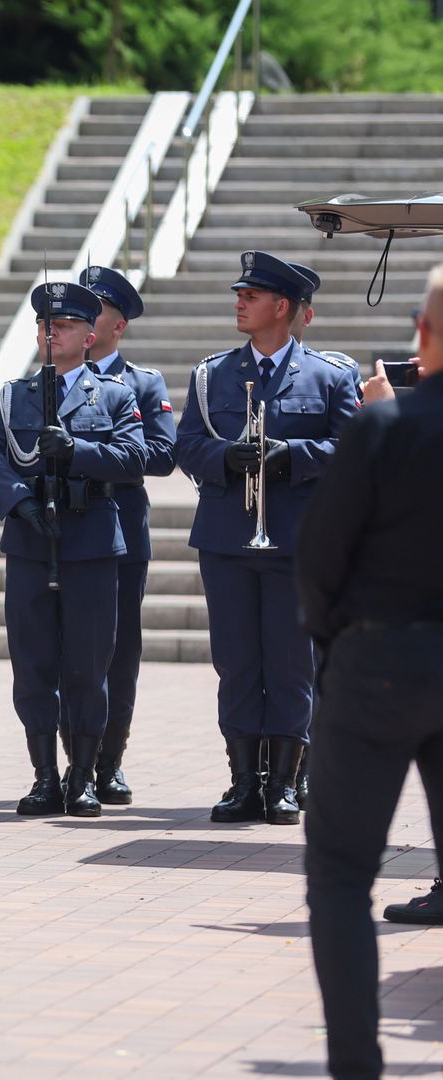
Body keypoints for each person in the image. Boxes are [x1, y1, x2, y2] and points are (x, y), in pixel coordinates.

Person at [299, 263, 443, 1080]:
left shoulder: (383, 429)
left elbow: (320, 558)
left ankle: (356, 1059)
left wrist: (335, 644)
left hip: (380, 659)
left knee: (344, 874)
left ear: (422, 338)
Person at [174, 251, 360, 825]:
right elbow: (183, 446)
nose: (239, 303)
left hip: (297, 540)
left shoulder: (330, 375)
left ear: (282, 308)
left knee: (289, 663)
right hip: (229, 538)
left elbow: (356, 447)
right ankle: (241, 782)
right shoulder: (212, 374)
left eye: (250, 297)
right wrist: (224, 456)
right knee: (235, 661)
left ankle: (282, 782)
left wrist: (294, 457)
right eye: (239, 295)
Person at [0, 282, 147, 817]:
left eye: (64, 326)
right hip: (29, 542)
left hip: (90, 542)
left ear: (89, 337)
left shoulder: (114, 394)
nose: (52, 333)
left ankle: (83, 775)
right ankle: (44, 775)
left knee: (89, 665)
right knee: (33, 664)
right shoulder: (11, 395)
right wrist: (18, 501)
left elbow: (136, 456)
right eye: (46, 325)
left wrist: (79, 451)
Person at [74, 265, 177, 803]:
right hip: (66, 530)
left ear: (118, 327)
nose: (84, 322)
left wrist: (92, 458)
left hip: (120, 524)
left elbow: (161, 455)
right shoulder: (54, 380)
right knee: (71, 649)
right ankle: (71, 764)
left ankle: (109, 762)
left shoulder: (143, 382)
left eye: (96, 312)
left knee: (119, 651)